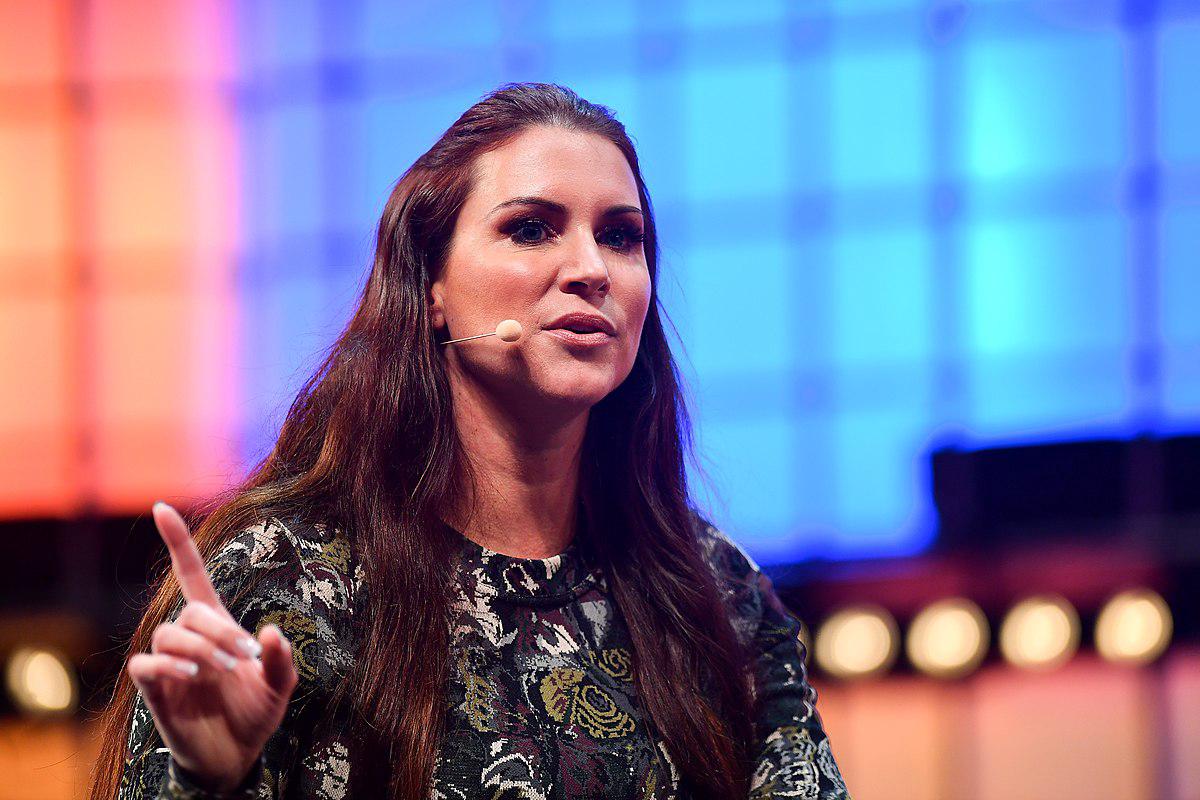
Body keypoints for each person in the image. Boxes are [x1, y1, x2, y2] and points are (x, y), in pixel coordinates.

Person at [89, 82, 851, 799]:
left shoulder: (713, 590)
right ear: (431, 291)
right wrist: (209, 781)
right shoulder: (285, 583)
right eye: (530, 228)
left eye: (621, 237)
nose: (591, 270)